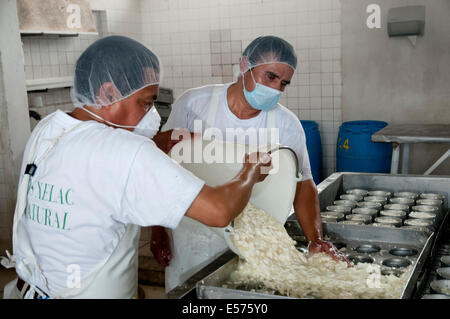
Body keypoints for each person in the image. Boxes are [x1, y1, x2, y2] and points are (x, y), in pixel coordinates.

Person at [0, 35, 272, 299]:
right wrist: (249, 173)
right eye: (146, 102)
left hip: (29, 289)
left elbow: (95, 162)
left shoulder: (49, 127)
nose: (151, 114)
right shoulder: (128, 153)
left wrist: (156, 142)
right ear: (108, 92)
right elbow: (219, 211)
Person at [152, 35, 351, 293]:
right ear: (244, 64)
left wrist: (316, 239)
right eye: (270, 77)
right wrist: (157, 228)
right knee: (191, 295)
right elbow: (159, 165)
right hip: (192, 235)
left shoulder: (287, 124)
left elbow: (303, 184)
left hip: (253, 242)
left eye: (284, 83)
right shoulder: (194, 104)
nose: (276, 89)